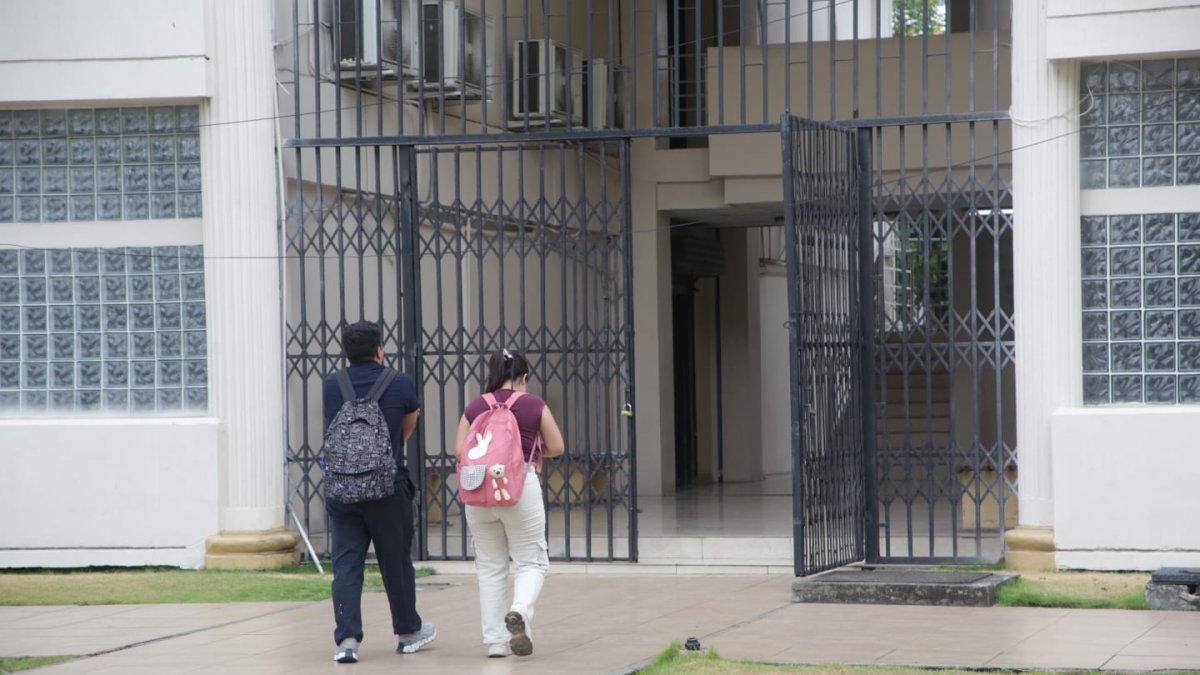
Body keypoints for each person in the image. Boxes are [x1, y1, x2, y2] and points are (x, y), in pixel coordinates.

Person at [322, 320, 436, 663]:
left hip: (342, 490)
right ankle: (408, 632)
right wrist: (390, 447)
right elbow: (411, 418)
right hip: (387, 488)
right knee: (395, 562)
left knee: (346, 565)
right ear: (379, 350)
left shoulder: (332, 385)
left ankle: (347, 641)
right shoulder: (398, 382)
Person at [454, 348, 566, 659]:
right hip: (518, 487)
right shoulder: (533, 405)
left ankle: (495, 642)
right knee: (531, 560)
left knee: (490, 566)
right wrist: (529, 447)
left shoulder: (475, 406)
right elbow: (557, 446)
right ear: (523, 377)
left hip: (477, 492)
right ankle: (520, 611)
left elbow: (459, 450)